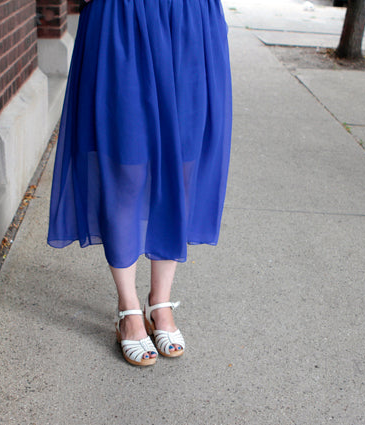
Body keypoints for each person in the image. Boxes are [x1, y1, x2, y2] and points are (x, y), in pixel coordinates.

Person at [47, 0, 232, 366]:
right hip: (123, 16)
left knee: (182, 166)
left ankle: (159, 302)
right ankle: (128, 307)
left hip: (190, 19)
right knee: (126, 167)